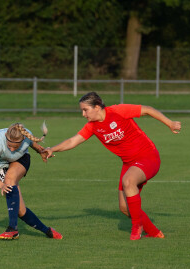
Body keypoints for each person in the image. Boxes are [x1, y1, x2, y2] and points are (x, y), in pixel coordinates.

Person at [43, 92, 181, 240]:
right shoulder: (92, 126)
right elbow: (73, 141)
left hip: (148, 156)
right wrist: (52, 149)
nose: (83, 114)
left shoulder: (117, 111)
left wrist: (170, 123)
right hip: (129, 163)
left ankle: (136, 227)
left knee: (128, 181)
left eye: (85, 110)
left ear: (97, 107)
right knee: (124, 207)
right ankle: (154, 232)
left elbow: (147, 109)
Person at [0, 122, 63, 240]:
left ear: (23, 140)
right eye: (9, 145)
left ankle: (12, 229)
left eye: (15, 147)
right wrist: (1, 185)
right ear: (6, 135)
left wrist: (41, 152)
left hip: (21, 161)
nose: (11, 149)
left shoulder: (26, 136)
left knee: (10, 179)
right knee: (20, 211)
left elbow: (34, 145)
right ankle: (47, 230)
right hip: (1, 166)